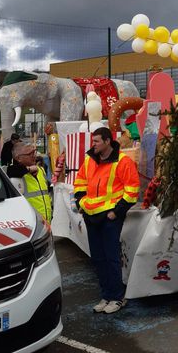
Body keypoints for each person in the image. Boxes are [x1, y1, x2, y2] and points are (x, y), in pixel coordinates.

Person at [74, 126, 140, 314]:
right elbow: (79, 183)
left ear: (107, 141)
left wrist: (116, 212)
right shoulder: (89, 160)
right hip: (91, 215)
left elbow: (132, 190)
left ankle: (117, 297)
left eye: (96, 141)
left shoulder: (123, 161)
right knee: (98, 258)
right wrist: (81, 203)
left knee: (111, 258)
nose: (92, 144)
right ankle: (107, 295)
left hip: (110, 217)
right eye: (92, 141)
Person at [7, 142, 52, 221]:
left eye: (34, 152)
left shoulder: (41, 170)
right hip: (31, 222)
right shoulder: (16, 173)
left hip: (46, 221)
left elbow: (47, 189)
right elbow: (10, 170)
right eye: (30, 154)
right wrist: (29, 169)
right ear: (18, 158)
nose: (34, 155)